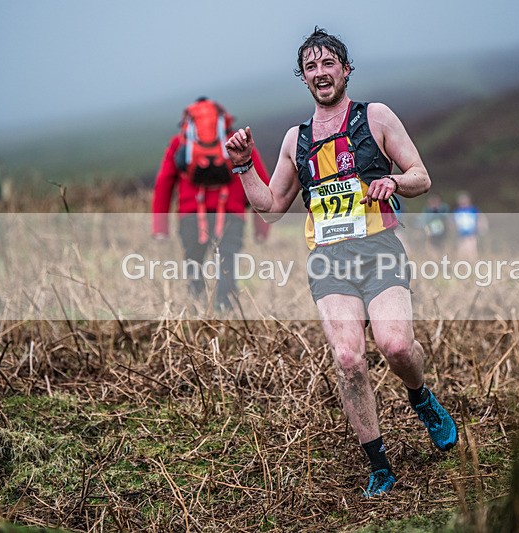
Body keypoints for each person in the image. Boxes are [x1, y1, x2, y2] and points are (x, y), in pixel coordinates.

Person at [224, 27, 457, 497]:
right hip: (328, 260)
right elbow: (271, 205)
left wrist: (393, 181)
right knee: (349, 358)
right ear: (304, 78)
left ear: (345, 69)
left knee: (395, 346)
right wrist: (245, 164)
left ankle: (421, 397)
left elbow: (422, 177)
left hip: (379, 250)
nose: (320, 73)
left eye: (328, 63)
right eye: (311, 67)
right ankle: (380, 466)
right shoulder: (297, 139)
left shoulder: (376, 116)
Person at [151, 97, 271, 311]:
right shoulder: (236, 141)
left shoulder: (180, 143)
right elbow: (260, 182)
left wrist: (160, 228)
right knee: (227, 271)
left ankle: (197, 316)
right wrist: (262, 227)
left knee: (194, 269)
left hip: (190, 216)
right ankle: (227, 318)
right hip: (231, 216)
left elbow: (163, 183)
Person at [452, 191, 483, 261]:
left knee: (472, 252)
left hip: (471, 235)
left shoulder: (473, 210)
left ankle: (472, 265)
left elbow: (480, 219)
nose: (463, 203)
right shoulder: (457, 211)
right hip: (461, 235)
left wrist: (481, 228)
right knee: (461, 252)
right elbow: (453, 222)